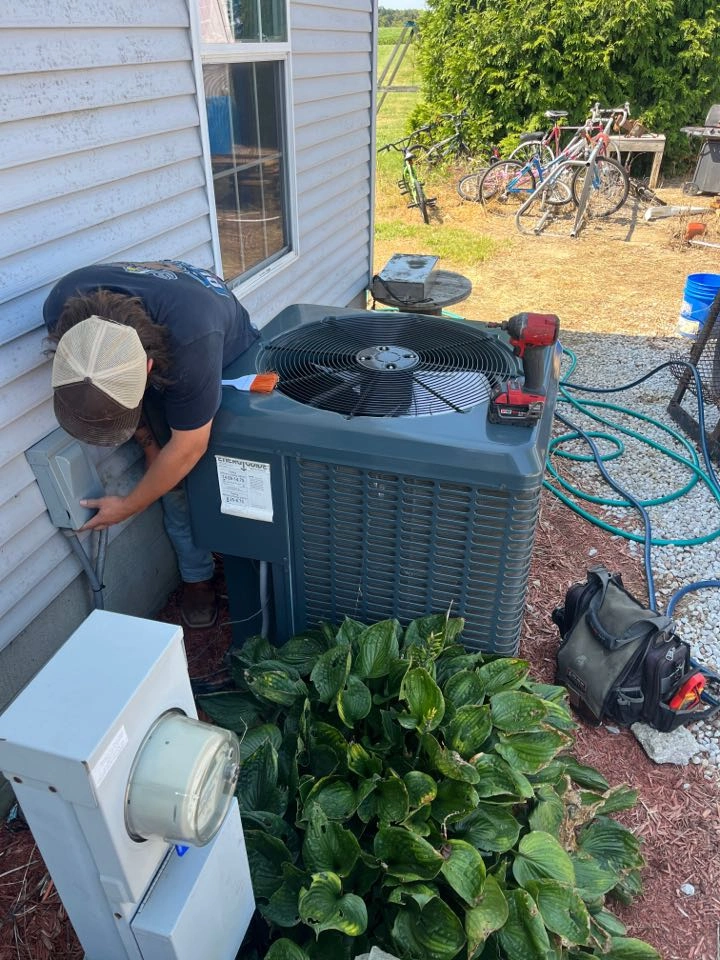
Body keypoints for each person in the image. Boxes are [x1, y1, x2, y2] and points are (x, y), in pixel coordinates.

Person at [43, 260, 258, 629]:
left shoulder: (194, 341)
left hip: (223, 348)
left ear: (147, 369)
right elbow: (111, 391)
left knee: (229, 466)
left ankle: (248, 566)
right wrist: (149, 446)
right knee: (171, 483)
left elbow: (190, 446)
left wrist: (128, 505)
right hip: (164, 326)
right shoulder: (63, 306)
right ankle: (198, 577)